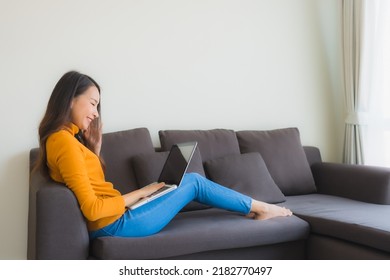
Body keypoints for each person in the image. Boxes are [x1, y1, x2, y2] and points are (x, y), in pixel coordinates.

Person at [34, 70, 292, 239]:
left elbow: (92, 187)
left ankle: (254, 207)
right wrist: (141, 193)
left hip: (113, 220)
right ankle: (263, 207)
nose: (96, 112)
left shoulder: (65, 140)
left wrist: (95, 151)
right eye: (92, 103)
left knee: (184, 182)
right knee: (193, 181)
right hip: (115, 224)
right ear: (70, 99)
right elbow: (92, 209)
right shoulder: (63, 141)